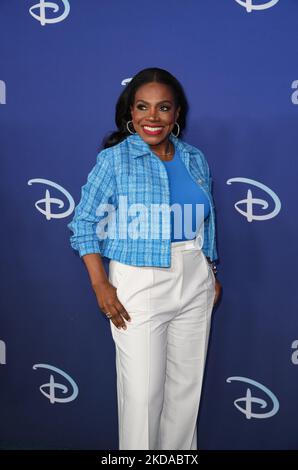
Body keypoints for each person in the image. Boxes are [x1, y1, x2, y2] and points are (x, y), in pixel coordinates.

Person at [67, 67, 221, 450]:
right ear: (130, 113)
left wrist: (210, 267)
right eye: (143, 107)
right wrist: (100, 283)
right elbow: (83, 222)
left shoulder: (194, 158)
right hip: (139, 282)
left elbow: (206, 218)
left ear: (177, 114)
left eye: (163, 107)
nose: (153, 117)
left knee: (185, 394)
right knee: (142, 399)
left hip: (195, 278)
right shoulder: (115, 160)